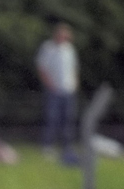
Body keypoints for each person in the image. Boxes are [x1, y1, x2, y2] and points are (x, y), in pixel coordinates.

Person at [36, 22, 79, 163]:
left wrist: (74, 83)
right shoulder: (48, 48)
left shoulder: (69, 49)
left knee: (68, 119)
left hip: (68, 90)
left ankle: (67, 146)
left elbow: (74, 67)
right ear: (57, 35)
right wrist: (50, 85)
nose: (64, 38)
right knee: (52, 118)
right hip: (54, 90)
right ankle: (47, 146)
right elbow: (42, 68)